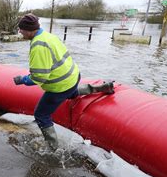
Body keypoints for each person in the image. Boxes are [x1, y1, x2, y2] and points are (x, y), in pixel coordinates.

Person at [13, 13, 114, 150]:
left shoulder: (38, 46)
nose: (20, 32)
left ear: (29, 29)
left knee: (41, 114)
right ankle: (101, 88)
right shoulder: (48, 36)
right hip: (73, 77)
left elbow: (39, 78)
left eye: (21, 29)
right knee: (71, 93)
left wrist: (23, 80)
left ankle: (53, 148)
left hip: (60, 85)